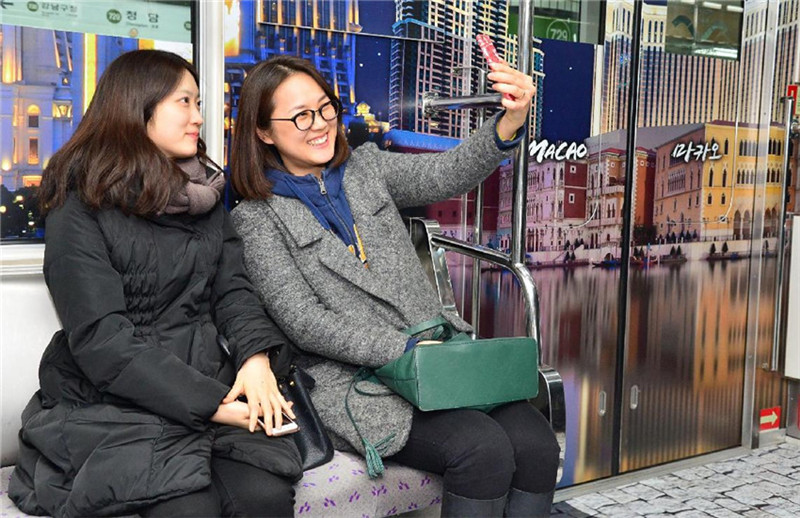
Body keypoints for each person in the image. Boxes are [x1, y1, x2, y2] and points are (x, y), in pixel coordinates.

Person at [229, 55, 560, 517]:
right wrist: (401, 350)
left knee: (537, 442)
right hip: (356, 384)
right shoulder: (257, 219)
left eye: (326, 108)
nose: (320, 124)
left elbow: (447, 173)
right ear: (263, 131)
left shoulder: (366, 170)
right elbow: (302, 321)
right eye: (301, 115)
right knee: (480, 450)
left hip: (438, 363)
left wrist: (511, 120)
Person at [9, 50, 302, 518]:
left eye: (200, 103)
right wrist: (212, 405)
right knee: (187, 507)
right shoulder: (79, 204)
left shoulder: (203, 198)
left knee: (264, 495)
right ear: (136, 108)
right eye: (184, 102)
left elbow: (234, 292)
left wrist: (256, 359)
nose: (199, 118)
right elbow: (101, 340)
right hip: (112, 402)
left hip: (209, 382)